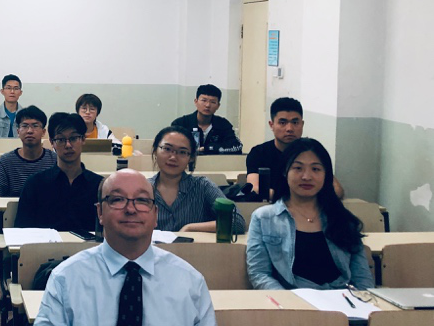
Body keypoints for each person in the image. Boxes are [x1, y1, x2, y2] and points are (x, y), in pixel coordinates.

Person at [25, 169, 230, 326]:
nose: (131, 209)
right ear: (100, 212)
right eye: (117, 199)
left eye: (142, 200)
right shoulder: (67, 279)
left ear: (155, 214)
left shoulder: (189, 282)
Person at [246, 138, 373, 291]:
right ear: (285, 172)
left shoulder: (341, 218)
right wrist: (289, 301)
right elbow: (259, 274)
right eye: (298, 168)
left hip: (341, 299)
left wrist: (363, 302)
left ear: (326, 175)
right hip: (290, 299)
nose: (306, 176)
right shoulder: (264, 218)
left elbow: (362, 278)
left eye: (316, 169)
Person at [14, 112, 102, 232]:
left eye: (74, 138)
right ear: (52, 142)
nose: (68, 145)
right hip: (44, 245)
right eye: (60, 139)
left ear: (83, 139)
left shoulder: (98, 185)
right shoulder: (35, 184)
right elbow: (21, 231)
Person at [150, 126, 245, 234]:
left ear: (191, 158)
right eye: (167, 149)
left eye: (182, 152)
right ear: (155, 150)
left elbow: (237, 222)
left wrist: (190, 228)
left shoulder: (202, 186)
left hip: (195, 246)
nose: (173, 157)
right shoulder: (144, 188)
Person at [246, 97, 345, 200]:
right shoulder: (259, 153)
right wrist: (296, 199)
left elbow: (337, 190)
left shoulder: (312, 151)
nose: (289, 129)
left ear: (302, 124)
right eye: (282, 123)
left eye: (295, 122)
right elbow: (256, 189)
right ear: (272, 125)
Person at [0, 105, 57, 207]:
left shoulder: (54, 160)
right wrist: (11, 205)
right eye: (25, 126)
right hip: (15, 214)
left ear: (43, 132)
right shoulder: (6, 161)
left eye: (35, 126)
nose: (29, 131)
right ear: (18, 131)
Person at [171, 84, 243, 155]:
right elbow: (171, 146)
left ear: (218, 106)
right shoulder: (181, 124)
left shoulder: (223, 124)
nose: (207, 105)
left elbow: (237, 147)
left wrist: (210, 148)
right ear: (196, 102)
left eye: (213, 102)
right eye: (204, 100)